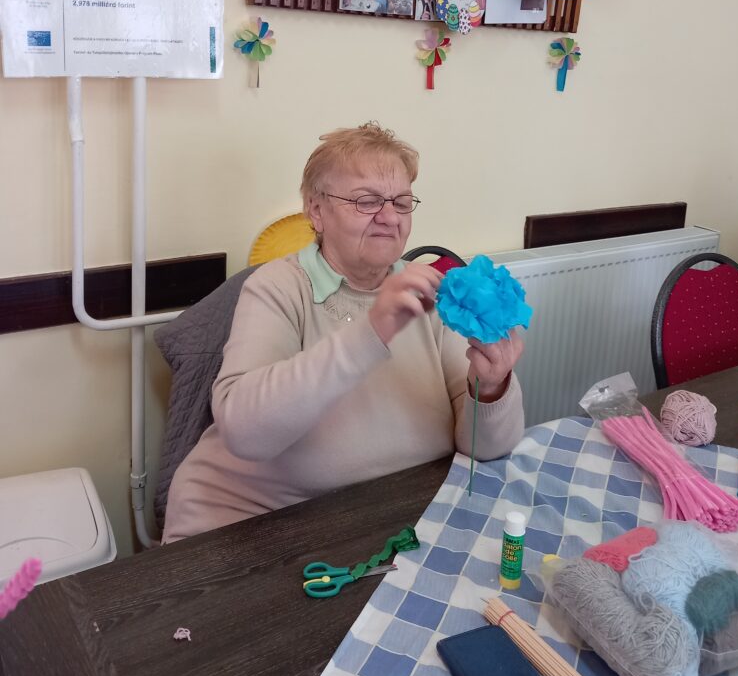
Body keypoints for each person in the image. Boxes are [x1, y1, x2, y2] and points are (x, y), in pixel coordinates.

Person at [163, 124, 525, 541]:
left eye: (401, 202)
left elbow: (486, 449)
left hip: (385, 518)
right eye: (366, 201)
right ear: (316, 211)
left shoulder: (430, 292)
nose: (389, 217)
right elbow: (244, 433)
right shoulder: (276, 288)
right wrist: (372, 332)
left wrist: (491, 388)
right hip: (250, 525)